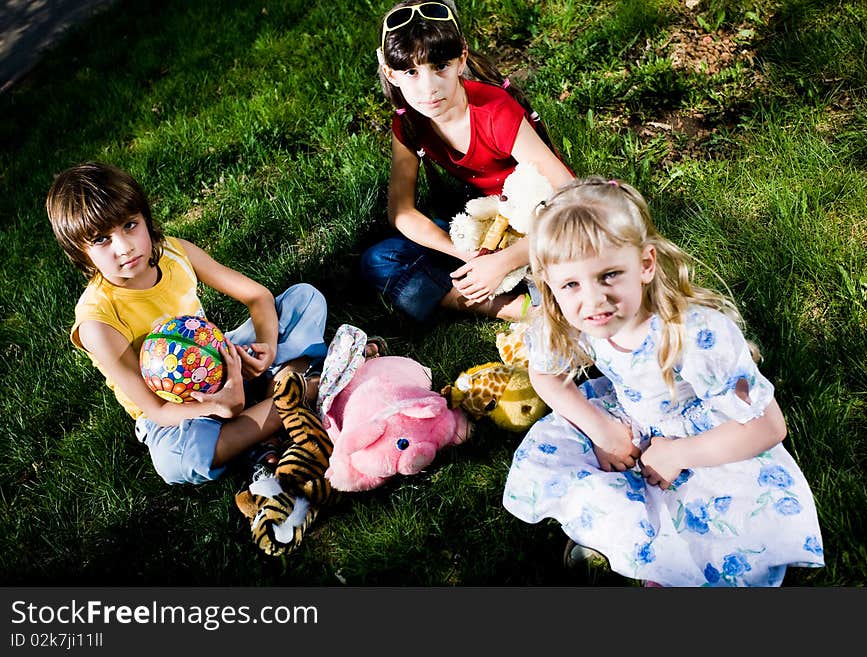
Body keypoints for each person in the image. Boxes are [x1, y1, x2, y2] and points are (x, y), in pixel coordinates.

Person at [502, 177, 825, 587]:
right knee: (564, 469)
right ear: (550, 282)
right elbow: (545, 375)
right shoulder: (571, 317)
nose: (593, 300)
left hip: (709, 439)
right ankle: (618, 544)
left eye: (610, 275)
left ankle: (656, 563)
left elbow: (767, 427)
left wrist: (678, 453)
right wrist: (602, 430)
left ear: (646, 264)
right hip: (633, 421)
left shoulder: (691, 334)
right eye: (571, 284)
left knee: (718, 530)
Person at [46, 161, 330, 486]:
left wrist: (265, 345)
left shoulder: (175, 253)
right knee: (175, 461)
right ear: (79, 252)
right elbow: (157, 411)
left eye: (129, 225)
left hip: (221, 359)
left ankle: (264, 414)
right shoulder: (97, 321)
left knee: (304, 300)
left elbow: (258, 297)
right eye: (101, 240)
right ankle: (302, 392)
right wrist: (221, 404)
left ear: (145, 218)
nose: (124, 247)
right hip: (178, 409)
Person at [360, 1, 575, 322]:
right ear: (391, 73)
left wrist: (505, 260)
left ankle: (526, 291)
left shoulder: (494, 110)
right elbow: (401, 211)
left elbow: (572, 197)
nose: (428, 87)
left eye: (440, 67)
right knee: (379, 260)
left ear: (461, 59)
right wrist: (469, 255)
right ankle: (515, 309)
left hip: (544, 218)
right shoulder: (407, 123)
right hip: (485, 226)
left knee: (582, 239)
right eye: (411, 72)